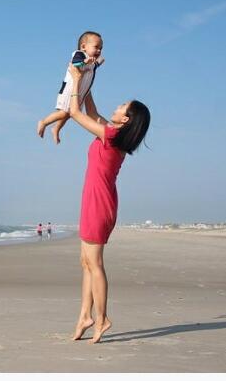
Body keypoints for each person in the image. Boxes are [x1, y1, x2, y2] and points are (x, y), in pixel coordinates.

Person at [67, 62, 150, 344]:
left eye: (121, 106)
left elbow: (76, 112)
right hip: (94, 199)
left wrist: (76, 80)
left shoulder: (112, 135)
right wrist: (89, 76)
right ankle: (84, 316)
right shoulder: (112, 133)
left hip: (99, 203)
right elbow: (91, 111)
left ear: (125, 119)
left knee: (95, 263)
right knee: (85, 262)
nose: (116, 107)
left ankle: (101, 318)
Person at [37, 31, 105, 144]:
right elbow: (76, 64)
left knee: (69, 114)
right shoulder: (79, 54)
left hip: (80, 92)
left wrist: (99, 63)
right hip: (70, 90)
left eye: (101, 48)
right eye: (96, 47)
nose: (99, 51)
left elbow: (93, 67)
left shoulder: (91, 61)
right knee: (64, 112)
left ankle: (56, 128)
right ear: (83, 47)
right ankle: (44, 122)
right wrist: (84, 61)